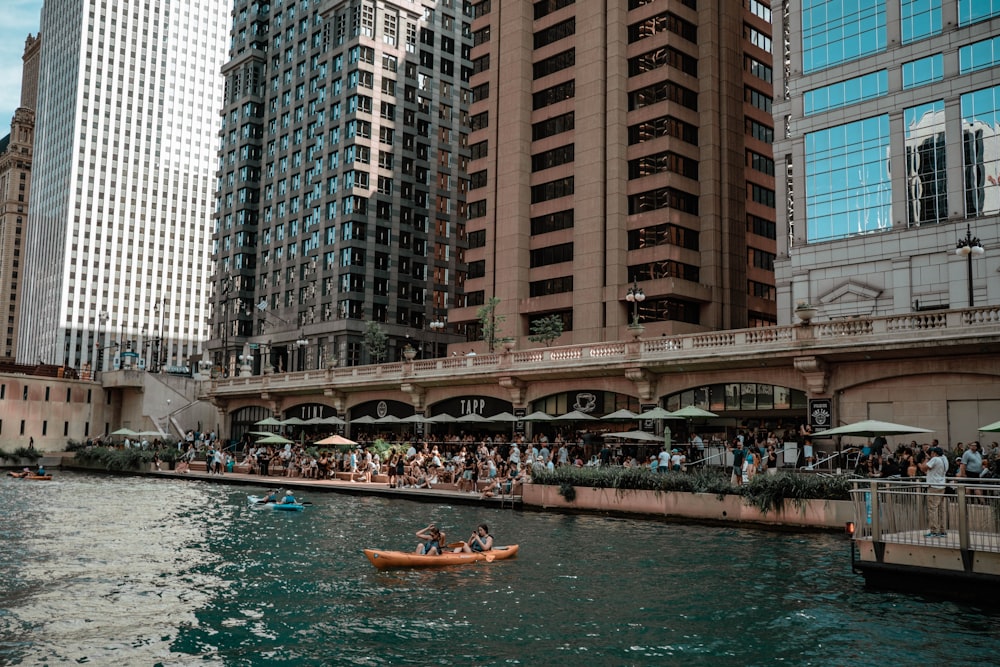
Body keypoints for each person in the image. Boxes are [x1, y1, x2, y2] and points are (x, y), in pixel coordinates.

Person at [919, 447, 948, 537]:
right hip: (941, 486)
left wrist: (926, 459)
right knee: (941, 509)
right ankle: (942, 530)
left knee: (933, 509)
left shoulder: (935, 459)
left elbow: (923, 468)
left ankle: (934, 531)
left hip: (934, 486)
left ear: (934, 453)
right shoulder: (944, 459)